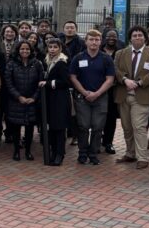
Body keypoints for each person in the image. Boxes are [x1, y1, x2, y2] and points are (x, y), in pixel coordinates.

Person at [113, 26, 149, 169]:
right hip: (123, 94)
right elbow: (115, 69)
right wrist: (125, 80)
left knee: (139, 127)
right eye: (134, 35)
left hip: (143, 95)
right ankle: (130, 153)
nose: (137, 37)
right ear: (130, 38)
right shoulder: (120, 53)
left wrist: (139, 83)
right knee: (126, 127)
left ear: (145, 38)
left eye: (140, 35)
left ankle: (143, 157)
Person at [68, 30, 115, 165]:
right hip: (82, 98)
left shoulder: (106, 59)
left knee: (97, 127)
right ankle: (82, 153)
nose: (94, 42)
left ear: (101, 42)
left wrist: (97, 93)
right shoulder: (78, 58)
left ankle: (93, 153)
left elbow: (110, 79)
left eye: (97, 40)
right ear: (86, 41)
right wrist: (84, 92)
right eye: (91, 39)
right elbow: (73, 77)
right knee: (83, 126)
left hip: (100, 98)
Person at [3, 40, 43, 161]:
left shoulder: (37, 64)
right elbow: (8, 83)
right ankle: (16, 151)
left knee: (30, 128)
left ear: (31, 51)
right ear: (18, 50)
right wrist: (18, 97)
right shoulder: (11, 63)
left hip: (31, 101)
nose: (25, 51)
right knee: (16, 128)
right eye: (22, 49)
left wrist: (34, 98)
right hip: (16, 101)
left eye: (27, 49)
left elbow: (40, 83)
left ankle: (28, 151)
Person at [40, 38, 71, 166]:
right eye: (50, 47)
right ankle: (53, 152)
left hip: (60, 100)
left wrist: (47, 83)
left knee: (59, 128)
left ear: (60, 49)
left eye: (55, 47)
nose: (52, 49)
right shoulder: (48, 61)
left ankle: (60, 154)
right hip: (51, 99)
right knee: (52, 128)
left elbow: (65, 82)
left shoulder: (62, 62)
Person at [99, 29, 122, 155]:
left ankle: (108, 142)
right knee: (98, 117)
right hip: (98, 88)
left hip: (114, 90)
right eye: (109, 36)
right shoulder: (98, 50)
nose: (111, 38)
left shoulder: (121, 52)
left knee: (111, 117)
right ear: (104, 37)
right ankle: (97, 141)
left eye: (114, 36)